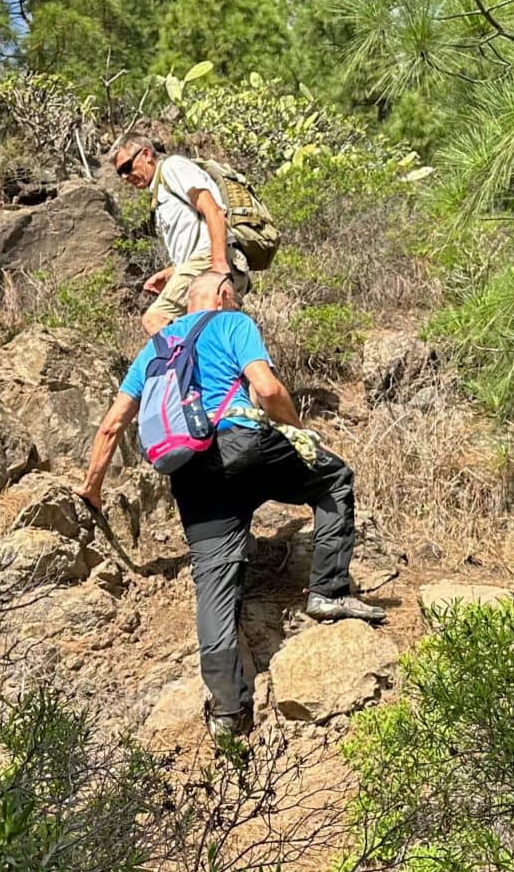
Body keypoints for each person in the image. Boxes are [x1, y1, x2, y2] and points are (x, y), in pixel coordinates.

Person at [77, 270, 386, 742]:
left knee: (215, 584)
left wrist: (92, 488)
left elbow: (112, 424)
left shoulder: (156, 348)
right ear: (223, 295)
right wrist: (297, 428)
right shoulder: (231, 323)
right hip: (242, 445)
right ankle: (326, 590)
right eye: (233, 292)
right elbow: (266, 388)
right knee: (333, 478)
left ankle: (227, 712)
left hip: (189, 472)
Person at [112, 133, 247, 336]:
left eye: (126, 167)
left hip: (211, 261)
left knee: (155, 319)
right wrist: (172, 272)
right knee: (208, 336)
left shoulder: (172, 168)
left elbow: (214, 210)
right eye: (119, 173)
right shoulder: (160, 191)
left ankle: (181, 367)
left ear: (146, 154)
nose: (124, 177)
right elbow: (194, 237)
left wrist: (218, 263)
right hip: (206, 262)